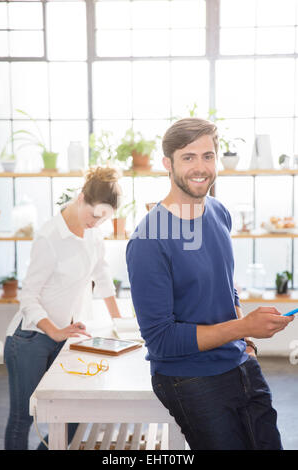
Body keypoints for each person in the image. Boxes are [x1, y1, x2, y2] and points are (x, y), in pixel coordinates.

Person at [126, 118, 294, 450]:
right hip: (189, 376)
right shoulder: (149, 239)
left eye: (208, 156)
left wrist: (245, 338)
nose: (201, 167)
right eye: (188, 157)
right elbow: (161, 339)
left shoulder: (218, 212)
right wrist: (243, 326)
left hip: (239, 363)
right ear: (167, 164)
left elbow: (225, 285)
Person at [4, 166, 122, 450]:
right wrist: (55, 331)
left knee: (74, 415)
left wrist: (121, 324)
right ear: (81, 198)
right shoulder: (49, 237)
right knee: (24, 418)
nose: (97, 222)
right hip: (29, 339)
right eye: (95, 215)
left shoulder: (93, 236)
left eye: (104, 219)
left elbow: (103, 279)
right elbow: (28, 297)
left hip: (64, 336)